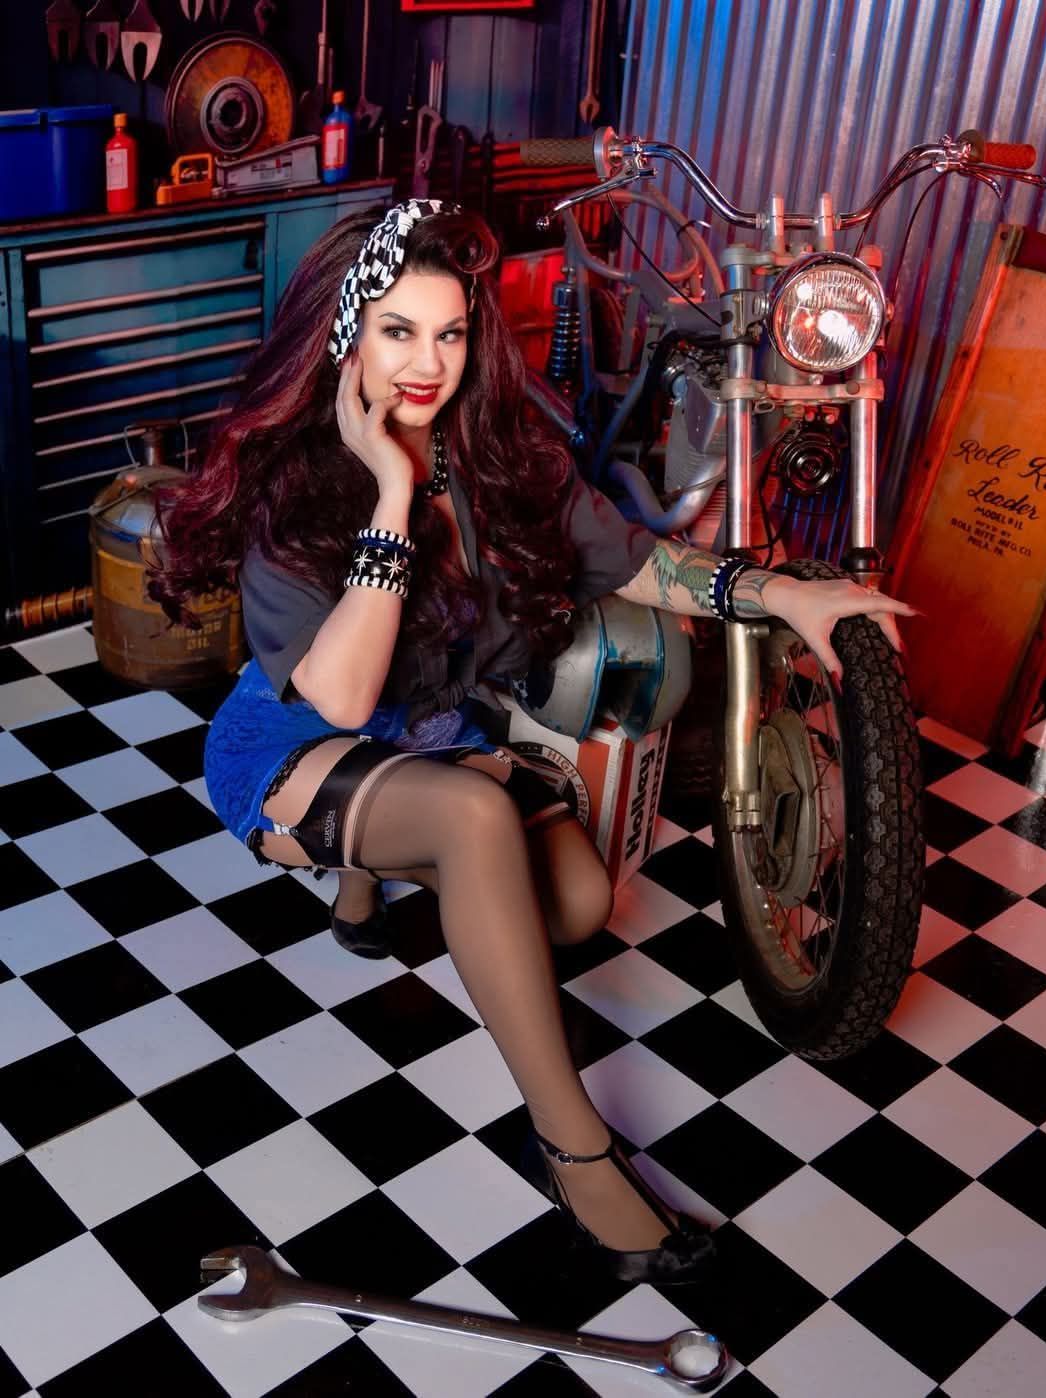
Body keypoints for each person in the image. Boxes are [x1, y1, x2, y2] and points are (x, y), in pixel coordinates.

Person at [149, 199, 915, 1287]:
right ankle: (573, 1148)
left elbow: (637, 563)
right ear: (346, 337)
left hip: (433, 731)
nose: (429, 364)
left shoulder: (505, 459)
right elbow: (345, 696)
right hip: (293, 747)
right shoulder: (298, 485)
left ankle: (374, 877)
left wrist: (776, 592)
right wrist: (392, 490)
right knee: (471, 821)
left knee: (579, 904)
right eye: (398, 332)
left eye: (451, 333)